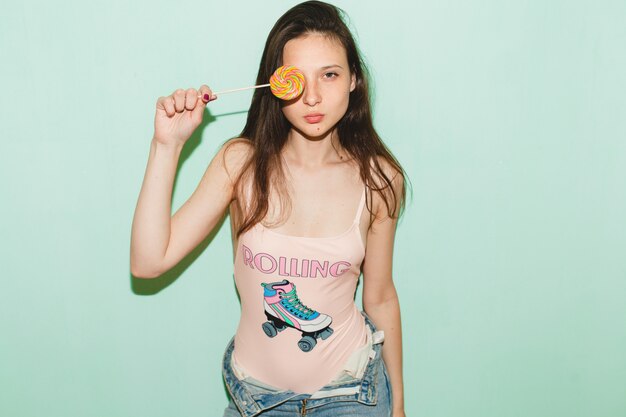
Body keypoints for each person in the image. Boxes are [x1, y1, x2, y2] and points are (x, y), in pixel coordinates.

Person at [130, 1, 408, 416]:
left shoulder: (379, 179)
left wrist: (399, 407)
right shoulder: (239, 163)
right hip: (256, 401)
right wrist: (166, 146)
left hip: (353, 397)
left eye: (329, 75)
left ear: (353, 79)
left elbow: (381, 296)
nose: (312, 96)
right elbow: (148, 263)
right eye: (297, 78)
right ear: (274, 84)